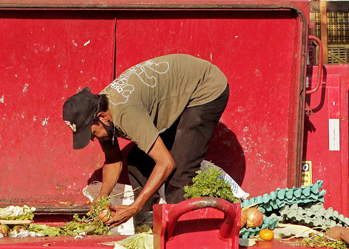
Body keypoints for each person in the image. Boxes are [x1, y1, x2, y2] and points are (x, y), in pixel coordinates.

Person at [61, 54, 229, 228]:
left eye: (92, 134)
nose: (94, 139)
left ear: (101, 117)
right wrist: (103, 196)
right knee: (137, 161)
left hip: (204, 88)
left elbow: (166, 163)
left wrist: (134, 207)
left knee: (180, 172)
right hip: (178, 92)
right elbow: (113, 160)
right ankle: (146, 230)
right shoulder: (101, 113)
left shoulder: (126, 114)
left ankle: (180, 243)